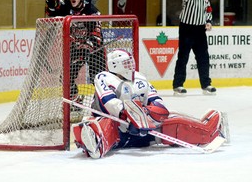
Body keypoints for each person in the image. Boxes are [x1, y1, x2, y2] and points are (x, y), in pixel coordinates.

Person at [72, 49, 227, 159]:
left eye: (130, 62)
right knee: (103, 126)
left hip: (144, 133)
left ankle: (209, 131)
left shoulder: (140, 79)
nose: (130, 66)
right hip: (117, 130)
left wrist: (151, 118)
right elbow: (109, 102)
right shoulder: (103, 77)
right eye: (125, 63)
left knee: (172, 123)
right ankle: (94, 142)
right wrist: (129, 116)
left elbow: (157, 102)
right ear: (114, 65)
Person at [45, 0, 105, 102]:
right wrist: (52, 5)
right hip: (76, 46)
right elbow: (51, 12)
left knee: (98, 77)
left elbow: (97, 34)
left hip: (94, 49)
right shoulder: (66, 5)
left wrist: (89, 45)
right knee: (67, 77)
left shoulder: (91, 10)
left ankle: (101, 102)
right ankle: (76, 100)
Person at [172, 0, 216, 96]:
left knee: (203, 58)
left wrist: (208, 21)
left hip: (200, 30)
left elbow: (208, 9)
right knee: (183, 57)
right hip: (187, 28)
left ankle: (206, 84)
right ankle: (178, 85)